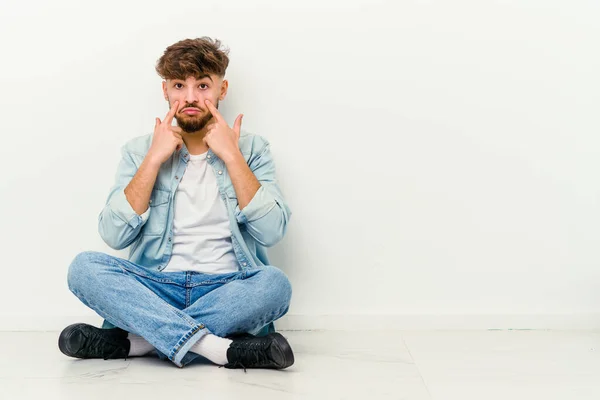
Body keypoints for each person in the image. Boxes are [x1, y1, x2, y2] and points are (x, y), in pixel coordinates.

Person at [58, 37, 294, 371]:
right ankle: (219, 349)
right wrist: (153, 160)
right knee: (83, 268)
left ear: (222, 89)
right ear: (165, 91)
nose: (191, 97)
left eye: (203, 85)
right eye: (179, 85)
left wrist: (231, 155)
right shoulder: (140, 151)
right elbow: (113, 234)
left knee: (275, 285)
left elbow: (272, 231)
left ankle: (138, 342)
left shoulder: (251, 148)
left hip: (227, 289)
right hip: (156, 287)